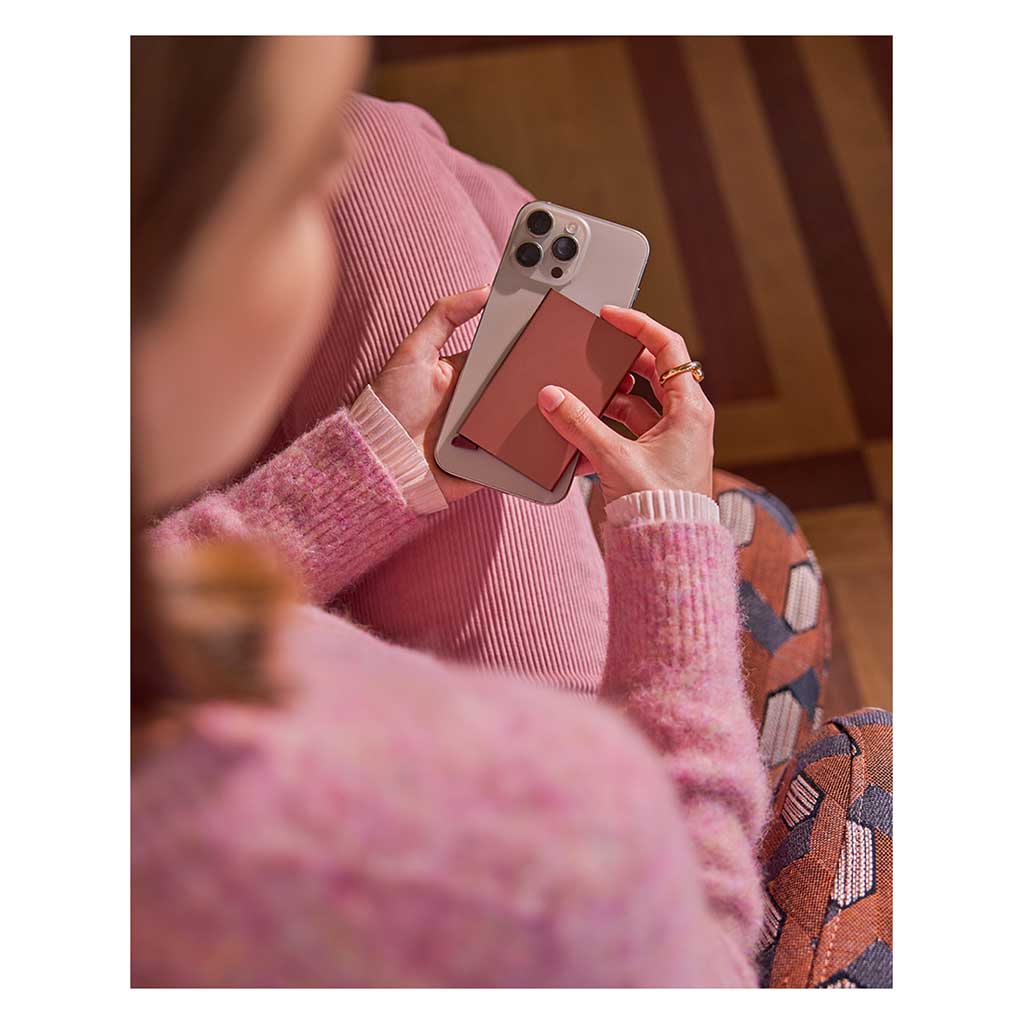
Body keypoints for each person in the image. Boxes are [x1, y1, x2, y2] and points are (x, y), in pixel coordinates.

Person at [132, 36, 889, 988]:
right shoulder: (519, 830)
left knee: (396, 149)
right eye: (290, 191)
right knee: (881, 749)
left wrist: (364, 472)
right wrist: (673, 540)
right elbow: (694, 955)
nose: (329, 176)